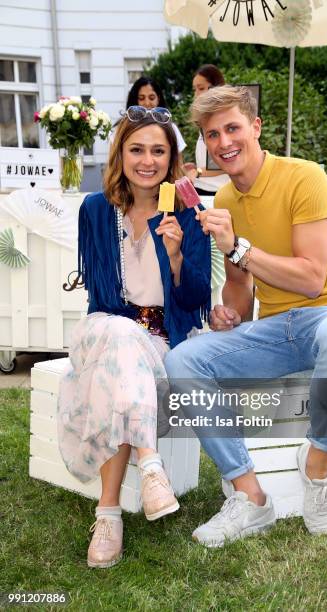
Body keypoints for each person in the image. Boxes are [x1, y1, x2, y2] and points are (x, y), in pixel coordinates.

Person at [165, 85, 327, 547]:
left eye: (232, 128)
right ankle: (250, 496)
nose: (224, 142)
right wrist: (228, 315)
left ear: (256, 128)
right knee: (183, 360)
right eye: (212, 134)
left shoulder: (305, 177)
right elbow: (241, 289)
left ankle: (317, 466)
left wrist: (238, 246)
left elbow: (312, 278)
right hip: (276, 330)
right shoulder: (225, 203)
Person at [57, 106, 211, 568]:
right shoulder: (97, 210)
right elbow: (99, 297)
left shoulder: (187, 212)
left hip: (159, 336)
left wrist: (177, 256)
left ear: (172, 158)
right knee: (119, 337)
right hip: (103, 328)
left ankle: (108, 516)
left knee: (120, 362)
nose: (148, 160)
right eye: (137, 149)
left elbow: (197, 298)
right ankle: (151, 468)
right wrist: (120, 325)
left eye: (159, 151)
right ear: (120, 153)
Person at [184, 64, 229, 198]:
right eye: (195, 89)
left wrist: (197, 172)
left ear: (215, 88)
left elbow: (226, 161)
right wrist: (197, 167)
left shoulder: (222, 119)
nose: (196, 94)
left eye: (201, 88)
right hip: (202, 190)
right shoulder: (205, 119)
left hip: (218, 193)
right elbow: (212, 161)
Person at [126, 76, 187, 154]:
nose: (147, 103)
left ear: (158, 98)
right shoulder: (123, 128)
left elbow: (178, 163)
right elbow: (113, 163)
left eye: (151, 98)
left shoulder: (171, 128)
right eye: (141, 98)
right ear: (135, 100)